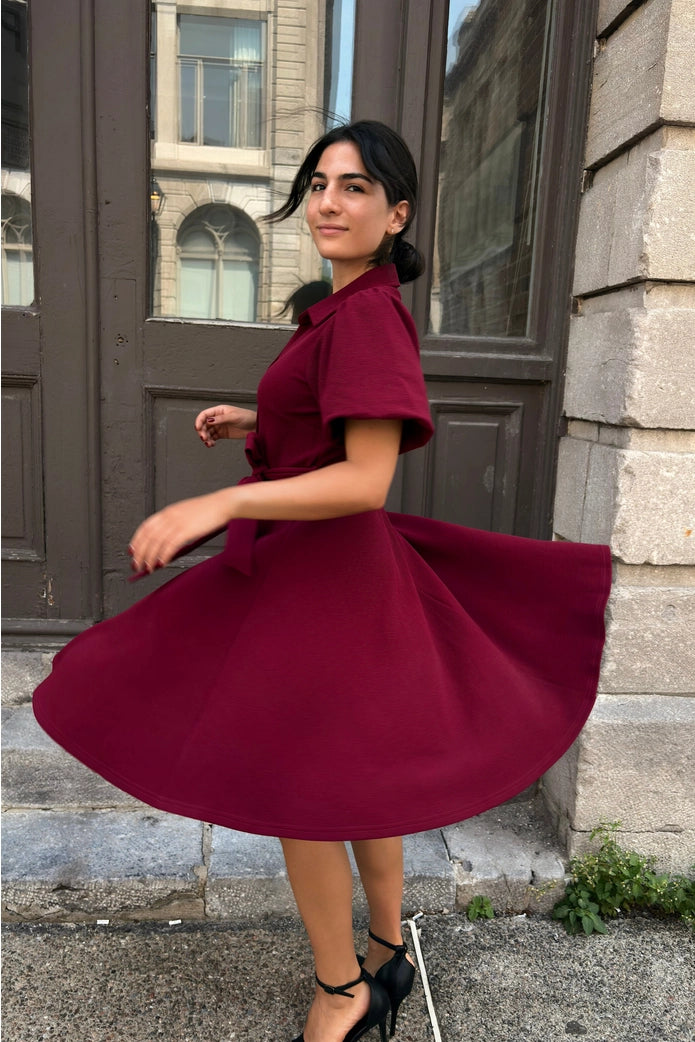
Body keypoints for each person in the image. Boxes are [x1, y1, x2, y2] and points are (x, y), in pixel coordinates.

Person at [33, 120, 611, 1042]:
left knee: (303, 793)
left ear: (396, 214)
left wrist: (212, 508)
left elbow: (364, 478)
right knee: (353, 783)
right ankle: (385, 954)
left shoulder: (368, 314)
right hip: (316, 579)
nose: (328, 203)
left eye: (353, 188)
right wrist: (252, 419)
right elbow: (329, 423)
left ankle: (341, 989)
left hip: (323, 584)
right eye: (318, 184)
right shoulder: (343, 309)